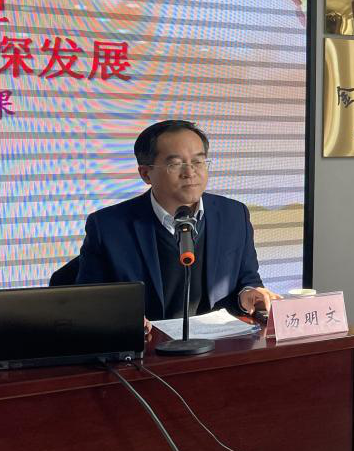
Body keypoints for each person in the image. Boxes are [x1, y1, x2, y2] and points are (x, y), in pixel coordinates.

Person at [75, 120, 279, 323]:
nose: (190, 173)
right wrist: (122, 318)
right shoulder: (108, 226)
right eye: (175, 164)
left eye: (198, 161)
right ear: (146, 174)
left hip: (219, 340)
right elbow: (89, 303)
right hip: (148, 341)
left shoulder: (234, 214)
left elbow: (247, 279)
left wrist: (249, 293)